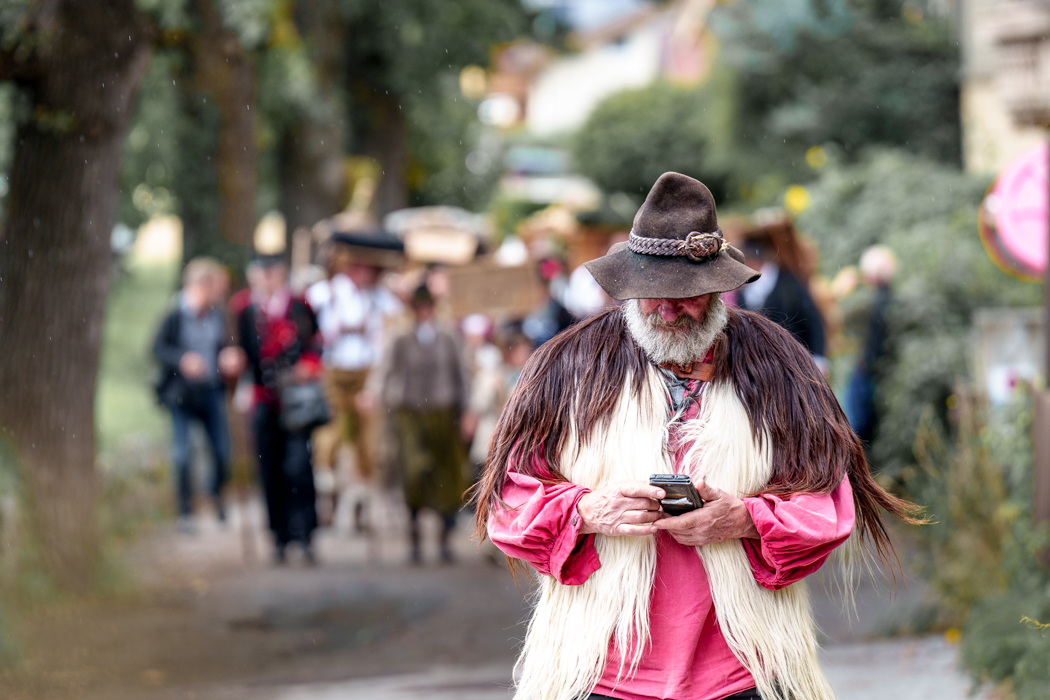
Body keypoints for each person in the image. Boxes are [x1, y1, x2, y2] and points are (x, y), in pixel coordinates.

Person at [472, 172, 920, 700]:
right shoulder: (568, 368)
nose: (667, 309)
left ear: (717, 288)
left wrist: (746, 519)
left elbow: (827, 504)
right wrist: (586, 511)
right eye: (653, 292)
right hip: (599, 672)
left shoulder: (778, 369)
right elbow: (510, 503)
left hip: (743, 670)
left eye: (685, 294)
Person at [305, 233, 403, 529]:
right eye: (358, 266)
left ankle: (361, 501)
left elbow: (398, 322)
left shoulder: (379, 297)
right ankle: (328, 493)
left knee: (368, 441)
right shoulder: (325, 292)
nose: (364, 273)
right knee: (332, 435)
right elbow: (304, 320)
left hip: (367, 373)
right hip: (333, 371)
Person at [236, 255, 323, 564]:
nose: (266, 280)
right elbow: (239, 349)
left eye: (271, 274)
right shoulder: (245, 310)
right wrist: (233, 363)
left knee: (298, 466)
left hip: (297, 400)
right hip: (264, 398)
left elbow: (317, 343)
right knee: (269, 468)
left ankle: (306, 533)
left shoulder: (299, 307)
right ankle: (279, 536)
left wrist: (309, 365)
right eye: (261, 275)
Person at [382, 285, 469, 564]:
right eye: (418, 307)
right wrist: (374, 397)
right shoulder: (401, 338)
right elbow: (386, 371)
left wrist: (467, 411)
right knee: (414, 471)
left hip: (444, 411)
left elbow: (461, 374)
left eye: (426, 306)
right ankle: (414, 537)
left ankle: (444, 539)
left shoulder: (447, 337)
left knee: (447, 475)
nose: (423, 312)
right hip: (410, 412)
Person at [153, 257, 241, 532]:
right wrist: (183, 360)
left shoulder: (217, 316)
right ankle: (185, 511)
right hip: (182, 394)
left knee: (221, 451)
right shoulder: (175, 314)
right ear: (201, 285)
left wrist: (228, 359)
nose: (220, 292)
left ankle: (215, 495)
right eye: (215, 286)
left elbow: (224, 347)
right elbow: (157, 348)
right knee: (183, 454)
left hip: (211, 390)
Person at [737, 233, 828, 371]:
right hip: (763, 369)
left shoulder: (788, 285)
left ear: (753, 263)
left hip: (796, 363)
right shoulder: (742, 292)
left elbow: (814, 322)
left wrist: (818, 359)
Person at [844, 245, 897, 444]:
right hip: (878, 368)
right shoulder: (888, 298)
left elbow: (873, 343)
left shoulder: (877, 303)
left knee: (855, 418)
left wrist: (866, 364)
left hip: (871, 370)